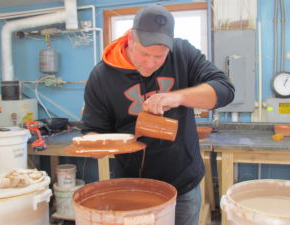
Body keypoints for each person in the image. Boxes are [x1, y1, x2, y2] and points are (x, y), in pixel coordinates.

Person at [82, 4, 235, 225]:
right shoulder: (102, 76)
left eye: (159, 57)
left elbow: (224, 89)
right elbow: (92, 131)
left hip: (182, 184)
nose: (150, 63)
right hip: (133, 186)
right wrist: (96, 145)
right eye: (144, 54)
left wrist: (177, 97)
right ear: (131, 38)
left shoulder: (182, 53)